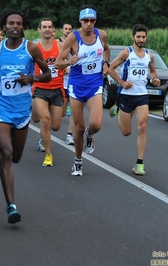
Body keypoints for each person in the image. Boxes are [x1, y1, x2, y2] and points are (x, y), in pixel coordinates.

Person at [0, 9, 51, 224]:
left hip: (22, 111)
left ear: (23, 27)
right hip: (0, 108)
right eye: (11, 23)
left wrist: (32, 77)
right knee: (6, 153)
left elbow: (48, 74)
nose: (15, 26)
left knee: (16, 156)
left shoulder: (31, 49)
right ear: (5, 27)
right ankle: (11, 206)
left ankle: (10, 199)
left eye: (19, 23)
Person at [55, 5, 110, 176]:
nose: (89, 24)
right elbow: (58, 63)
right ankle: (78, 161)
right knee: (78, 128)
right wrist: (69, 61)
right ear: (80, 21)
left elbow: (106, 50)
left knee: (96, 124)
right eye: (85, 20)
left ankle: (90, 135)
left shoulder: (101, 35)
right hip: (77, 84)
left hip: (95, 83)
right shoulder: (73, 38)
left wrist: (106, 64)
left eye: (92, 20)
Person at [106, 24, 160, 176]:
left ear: (146, 37)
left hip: (142, 95)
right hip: (126, 95)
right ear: (133, 37)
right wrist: (122, 83)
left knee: (142, 127)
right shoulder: (126, 53)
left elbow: (152, 70)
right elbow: (110, 69)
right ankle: (117, 108)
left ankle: (139, 164)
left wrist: (155, 79)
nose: (141, 40)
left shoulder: (150, 55)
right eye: (138, 37)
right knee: (126, 132)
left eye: (143, 37)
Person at [31, 18, 65, 166]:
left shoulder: (61, 45)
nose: (47, 29)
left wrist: (68, 64)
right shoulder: (34, 48)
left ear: (53, 30)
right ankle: (48, 155)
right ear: (39, 29)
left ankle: (43, 134)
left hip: (57, 89)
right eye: (44, 27)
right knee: (45, 120)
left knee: (55, 126)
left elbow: (70, 60)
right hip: (40, 89)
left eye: (49, 27)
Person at [57, 22, 75, 145]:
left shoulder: (75, 44)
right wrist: (64, 68)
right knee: (61, 113)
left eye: (70, 29)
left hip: (74, 82)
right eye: (66, 29)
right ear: (62, 30)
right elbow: (55, 62)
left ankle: (69, 135)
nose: (68, 31)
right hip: (61, 82)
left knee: (75, 111)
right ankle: (45, 134)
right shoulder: (58, 44)